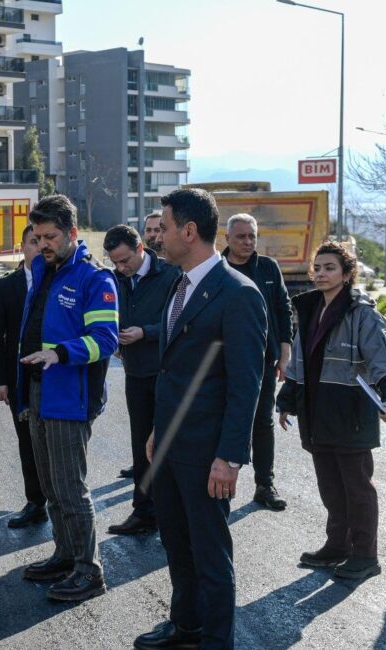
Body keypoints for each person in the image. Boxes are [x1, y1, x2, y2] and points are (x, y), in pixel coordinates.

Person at [134, 188, 266, 650]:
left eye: (164, 228)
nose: (156, 236)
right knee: (176, 544)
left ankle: (214, 640)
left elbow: (246, 385)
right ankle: (185, 625)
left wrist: (230, 457)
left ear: (188, 232)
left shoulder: (238, 294)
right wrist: (157, 430)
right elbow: (173, 369)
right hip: (171, 446)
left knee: (210, 555)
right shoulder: (178, 281)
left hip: (208, 453)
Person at [276, 241, 386, 581]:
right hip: (316, 412)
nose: (321, 274)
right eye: (317, 268)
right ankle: (337, 546)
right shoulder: (307, 309)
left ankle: (365, 555)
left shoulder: (363, 314)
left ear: (347, 274)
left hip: (350, 414)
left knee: (357, 488)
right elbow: (299, 364)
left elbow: (382, 363)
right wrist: (287, 398)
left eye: (330, 268)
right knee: (331, 487)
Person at [17, 194, 119, 603]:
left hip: (70, 395)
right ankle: (64, 555)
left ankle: (88, 570)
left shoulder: (96, 279)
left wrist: (59, 353)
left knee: (69, 487)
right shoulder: (43, 269)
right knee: (50, 486)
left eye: (51, 236)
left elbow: (105, 340)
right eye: (38, 236)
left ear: (73, 234)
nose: (42, 243)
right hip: (39, 390)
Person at [103, 224, 180, 536]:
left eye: (125, 261)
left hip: (165, 374)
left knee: (170, 446)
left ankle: (175, 514)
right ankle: (144, 512)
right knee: (141, 448)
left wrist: (144, 333)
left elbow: (179, 325)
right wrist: (117, 340)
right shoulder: (116, 278)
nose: (121, 268)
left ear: (139, 249)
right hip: (135, 374)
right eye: (115, 263)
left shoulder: (171, 275)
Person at [222, 213, 294, 511]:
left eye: (252, 236)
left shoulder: (267, 268)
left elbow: (283, 307)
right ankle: (219, 483)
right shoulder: (217, 269)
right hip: (222, 362)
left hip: (263, 361)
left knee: (262, 423)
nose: (248, 242)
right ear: (226, 239)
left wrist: (285, 350)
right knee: (222, 421)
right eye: (241, 236)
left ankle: (265, 484)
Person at [0, 224, 47, 528]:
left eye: (42, 242)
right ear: (22, 247)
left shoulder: (57, 282)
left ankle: (61, 500)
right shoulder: (6, 287)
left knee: (56, 441)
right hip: (18, 379)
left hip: (54, 375)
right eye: (32, 242)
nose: (38, 248)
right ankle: (36, 501)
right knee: (27, 441)